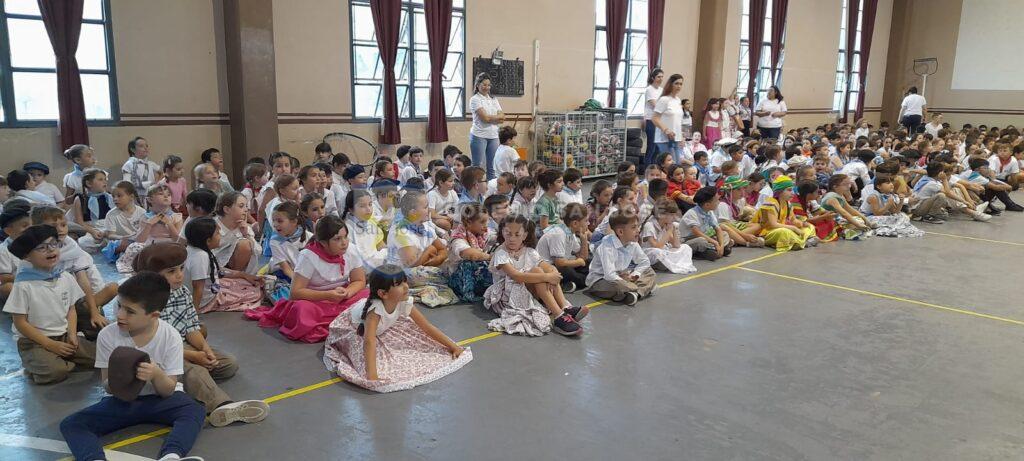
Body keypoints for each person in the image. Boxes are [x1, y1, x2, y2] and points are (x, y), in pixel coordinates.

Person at [59, 272, 207, 461]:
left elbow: (168, 390)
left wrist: (156, 374)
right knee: (72, 424)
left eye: (130, 311)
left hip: (161, 400)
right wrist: (120, 377)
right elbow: (107, 386)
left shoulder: (170, 336)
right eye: (119, 306)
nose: (120, 315)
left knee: (195, 410)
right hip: (123, 402)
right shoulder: (107, 335)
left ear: (153, 315)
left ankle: (171, 455)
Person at [133, 243, 269, 425]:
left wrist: (205, 350)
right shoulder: (141, 301)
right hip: (156, 355)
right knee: (194, 370)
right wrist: (193, 356)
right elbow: (153, 346)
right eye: (171, 271)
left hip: (182, 346)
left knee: (228, 364)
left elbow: (191, 328)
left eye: (181, 268)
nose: (180, 275)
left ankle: (187, 385)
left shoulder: (181, 292)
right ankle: (222, 406)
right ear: (152, 275)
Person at [323, 265, 471, 392]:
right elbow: (369, 341)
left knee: (413, 335)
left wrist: (453, 347)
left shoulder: (403, 301)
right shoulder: (375, 312)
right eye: (399, 284)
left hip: (379, 327)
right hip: (354, 328)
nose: (406, 286)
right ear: (383, 293)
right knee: (361, 352)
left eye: (405, 281)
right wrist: (372, 376)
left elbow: (426, 326)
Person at [246, 216, 370, 342]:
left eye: (345, 237)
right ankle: (344, 321)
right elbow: (295, 293)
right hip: (315, 301)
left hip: (342, 297)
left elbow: (359, 280)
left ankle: (341, 320)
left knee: (369, 295)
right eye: (337, 239)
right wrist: (328, 295)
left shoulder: (351, 250)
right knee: (302, 310)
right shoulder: (308, 256)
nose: (344, 243)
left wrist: (348, 292)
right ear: (323, 243)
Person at [4, 225, 96, 384]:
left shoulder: (65, 277)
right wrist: (50, 344)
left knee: (99, 357)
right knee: (56, 372)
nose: (51, 250)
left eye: (54, 244)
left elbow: (71, 309)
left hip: (63, 335)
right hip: (34, 342)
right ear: (27, 256)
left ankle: (55, 359)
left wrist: (72, 334)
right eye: (41, 247)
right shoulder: (23, 285)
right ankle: (40, 362)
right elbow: (20, 323)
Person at [485, 214, 585, 337]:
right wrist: (547, 277)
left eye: (517, 234)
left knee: (547, 271)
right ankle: (559, 316)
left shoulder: (529, 251)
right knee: (538, 272)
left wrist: (553, 272)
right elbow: (517, 276)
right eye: (508, 233)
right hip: (508, 295)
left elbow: (546, 266)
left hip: (526, 289)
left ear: (524, 235)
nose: (512, 238)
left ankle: (565, 307)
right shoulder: (501, 253)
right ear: (502, 232)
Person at [386, 191, 458, 307]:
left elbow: (442, 249)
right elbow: (411, 263)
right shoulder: (401, 232)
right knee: (447, 273)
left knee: (455, 262)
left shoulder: (426, 227)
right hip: (402, 271)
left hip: (425, 264)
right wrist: (429, 251)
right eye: (425, 207)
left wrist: (438, 258)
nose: (429, 210)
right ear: (413, 213)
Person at [182, 218, 265, 314]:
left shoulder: (193, 250)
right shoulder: (200, 257)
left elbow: (217, 271)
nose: (220, 236)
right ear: (208, 241)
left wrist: (243, 275)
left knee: (247, 283)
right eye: (218, 233)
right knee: (255, 293)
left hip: (210, 288)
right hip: (206, 300)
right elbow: (198, 287)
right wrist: (193, 314)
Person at [586, 210, 656, 306]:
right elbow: (609, 275)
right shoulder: (607, 246)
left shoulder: (632, 243)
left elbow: (644, 262)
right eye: (634, 227)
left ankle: (634, 294)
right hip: (600, 281)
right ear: (620, 232)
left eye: (638, 226)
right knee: (618, 287)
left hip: (622, 276)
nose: (638, 230)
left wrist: (635, 274)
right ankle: (640, 290)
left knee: (650, 272)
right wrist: (624, 281)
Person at [752, 175, 817, 251]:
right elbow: (773, 225)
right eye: (789, 190)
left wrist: (802, 223)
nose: (792, 193)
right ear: (779, 191)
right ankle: (802, 241)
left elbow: (793, 220)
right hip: (766, 232)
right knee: (784, 232)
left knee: (810, 227)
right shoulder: (770, 203)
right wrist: (794, 228)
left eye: (792, 190)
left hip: (780, 228)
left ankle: (799, 241)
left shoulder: (788, 204)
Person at [537, 202, 590, 293]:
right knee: (568, 271)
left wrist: (584, 240)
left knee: (588, 263)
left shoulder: (570, 232)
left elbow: (583, 257)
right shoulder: (558, 234)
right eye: (586, 221)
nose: (588, 223)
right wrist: (578, 262)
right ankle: (582, 281)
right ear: (575, 223)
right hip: (548, 268)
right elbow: (559, 263)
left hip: (561, 264)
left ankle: (569, 284)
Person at [446, 203, 493, 302]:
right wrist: (491, 257)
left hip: (476, 274)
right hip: (458, 276)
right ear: (468, 222)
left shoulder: (481, 233)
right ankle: (468, 294)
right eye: (482, 222)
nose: (486, 225)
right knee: (468, 263)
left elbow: (497, 237)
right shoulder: (458, 237)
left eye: (487, 221)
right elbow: (469, 254)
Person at [641, 199, 696, 274]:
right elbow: (657, 246)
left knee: (685, 247)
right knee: (657, 252)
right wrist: (669, 231)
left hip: (663, 251)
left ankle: (667, 263)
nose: (674, 217)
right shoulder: (649, 225)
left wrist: (673, 229)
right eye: (672, 215)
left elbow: (676, 245)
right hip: (651, 253)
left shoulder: (667, 224)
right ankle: (663, 264)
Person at [469, 73, 505, 179]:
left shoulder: (494, 99)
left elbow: (502, 118)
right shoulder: (475, 99)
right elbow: (485, 118)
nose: (487, 87)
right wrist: (495, 118)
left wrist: (491, 118)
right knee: (477, 166)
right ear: (477, 85)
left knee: (492, 167)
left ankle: (490, 188)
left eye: (489, 85)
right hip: (479, 135)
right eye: (484, 85)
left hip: (494, 136)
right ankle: (475, 187)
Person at [343, 189, 387, 269]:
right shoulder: (346, 230)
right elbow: (352, 260)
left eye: (370, 204)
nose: (368, 209)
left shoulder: (372, 224)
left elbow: (381, 245)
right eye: (362, 206)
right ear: (351, 209)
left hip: (377, 266)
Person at [651, 73, 685, 164]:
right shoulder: (664, 99)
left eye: (681, 84)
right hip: (664, 138)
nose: (679, 86)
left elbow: (678, 121)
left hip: (676, 138)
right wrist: (666, 130)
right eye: (676, 83)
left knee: (677, 165)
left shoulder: (678, 100)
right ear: (670, 84)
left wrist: (681, 137)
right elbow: (655, 118)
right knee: (671, 165)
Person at [643, 68, 665, 166]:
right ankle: (647, 168)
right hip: (651, 120)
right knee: (651, 146)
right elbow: (655, 105)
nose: (661, 79)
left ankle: (655, 167)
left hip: (660, 121)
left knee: (657, 147)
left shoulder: (662, 90)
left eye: (662, 77)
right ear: (653, 78)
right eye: (658, 77)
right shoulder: (649, 89)